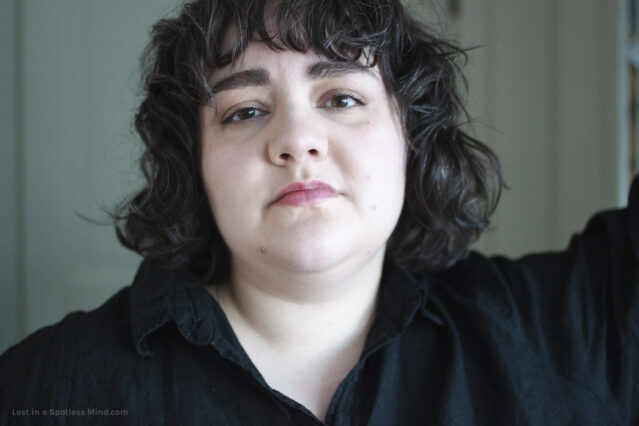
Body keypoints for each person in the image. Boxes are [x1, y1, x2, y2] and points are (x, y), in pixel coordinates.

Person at [1, 0, 637, 424]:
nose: (296, 138)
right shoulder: (47, 389)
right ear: (195, 164)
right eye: (245, 111)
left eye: (340, 97)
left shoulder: (572, 332)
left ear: (409, 138)